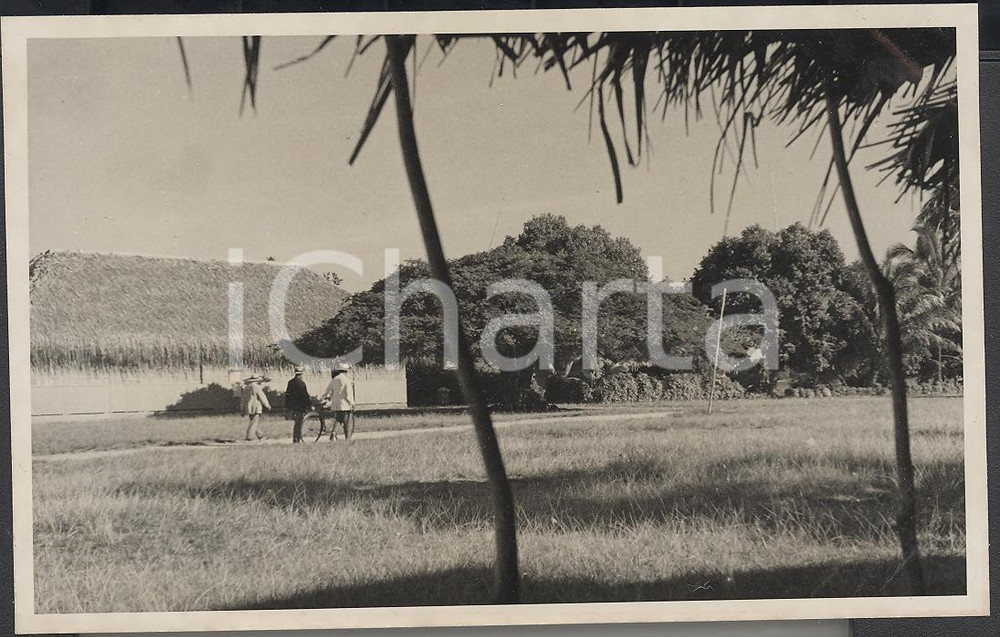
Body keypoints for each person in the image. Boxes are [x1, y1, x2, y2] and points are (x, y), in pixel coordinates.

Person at [320, 363, 355, 441]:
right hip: (345, 404)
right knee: (347, 422)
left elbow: (328, 390)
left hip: (336, 404)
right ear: (346, 371)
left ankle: (333, 432)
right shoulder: (347, 381)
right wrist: (352, 403)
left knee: (338, 418)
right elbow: (348, 394)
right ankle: (348, 438)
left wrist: (324, 397)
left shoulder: (334, 379)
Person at [284, 365, 312, 444]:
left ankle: (295, 438)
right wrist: (309, 405)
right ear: (301, 374)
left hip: (292, 406)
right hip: (300, 406)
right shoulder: (302, 383)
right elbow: (305, 396)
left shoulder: (290, 382)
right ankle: (297, 439)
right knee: (299, 423)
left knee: (296, 423)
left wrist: (287, 406)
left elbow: (287, 394)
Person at [241, 375, 271, 441]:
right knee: (254, 422)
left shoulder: (246, 388)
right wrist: (267, 405)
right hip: (256, 407)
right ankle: (249, 437)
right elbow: (262, 397)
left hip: (249, 407)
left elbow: (243, 399)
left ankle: (261, 435)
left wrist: (242, 409)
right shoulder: (256, 387)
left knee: (253, 422)